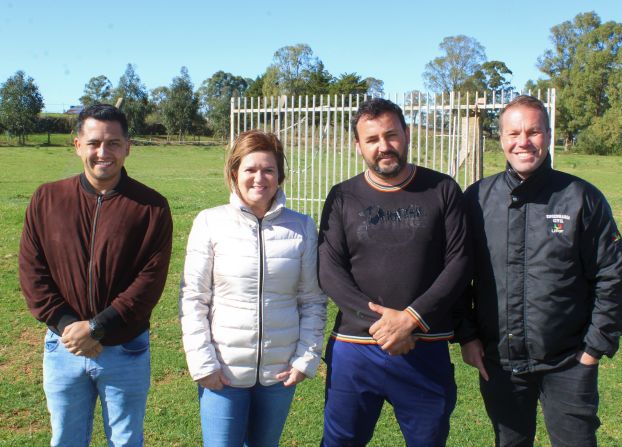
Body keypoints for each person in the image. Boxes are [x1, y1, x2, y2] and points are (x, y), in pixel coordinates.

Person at [459, 95, 622, 447]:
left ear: (549, 136)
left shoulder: (581, 197)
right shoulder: (477, 198)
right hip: (500, 362)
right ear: (501, 138)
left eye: (534, 131)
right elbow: (458, 275)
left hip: (569, 362)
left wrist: (593, 350)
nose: (523, 141)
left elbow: (613, 278)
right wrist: (468, 335)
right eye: (514, 133)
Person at [318, 98, 471, 446]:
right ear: (358, 146)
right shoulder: (342, 196)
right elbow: (329, 269)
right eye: (372, 140)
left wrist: (410, 319)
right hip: (356, 348)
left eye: (391, 135)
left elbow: (460, 262)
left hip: (423, 346)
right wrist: (383, 324)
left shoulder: (442, 189)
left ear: (407, 134)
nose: (383, 147)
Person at [19, 104, 173, 447]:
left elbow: (149, 282)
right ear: (77, 145)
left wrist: (97, 326)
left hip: (125, 348)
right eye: (94, 143)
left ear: (128, 147)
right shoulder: (47, 198)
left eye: (113, 143)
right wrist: (67, 327)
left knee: (126, 439)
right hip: (63, 348)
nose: (103, 153)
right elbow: (33, 272)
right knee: (66, 439)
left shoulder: (151, 207)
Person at [179, 130, 327, 447]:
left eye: (268, 169)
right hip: (223, 372)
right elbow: (193, 300)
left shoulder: (301, 227)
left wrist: (305, 359)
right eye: (250, 169)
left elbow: (312, 300)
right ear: (235, 173)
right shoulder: (210, 222)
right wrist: (204, 364)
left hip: (279, 372)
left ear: (280, 175)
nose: (259, 178)